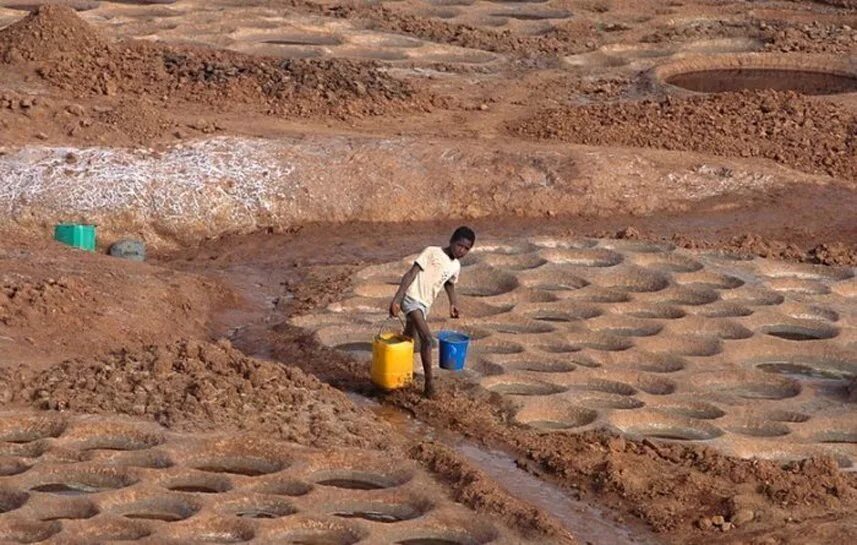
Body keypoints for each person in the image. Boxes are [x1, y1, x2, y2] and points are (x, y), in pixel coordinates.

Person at [389, 226, 476, 398]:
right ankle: (429, 384)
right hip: (411, 298)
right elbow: (411, 273)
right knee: (427, 340)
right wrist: (397, 299)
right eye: (459, 245)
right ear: (451, 241)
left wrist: (453, 303)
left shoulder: (456, 266)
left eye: (466, 248)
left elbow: (449, 283)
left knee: (410, 340)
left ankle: (396, 369)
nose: (462, 251)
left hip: (424, 304)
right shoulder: (432, 252)